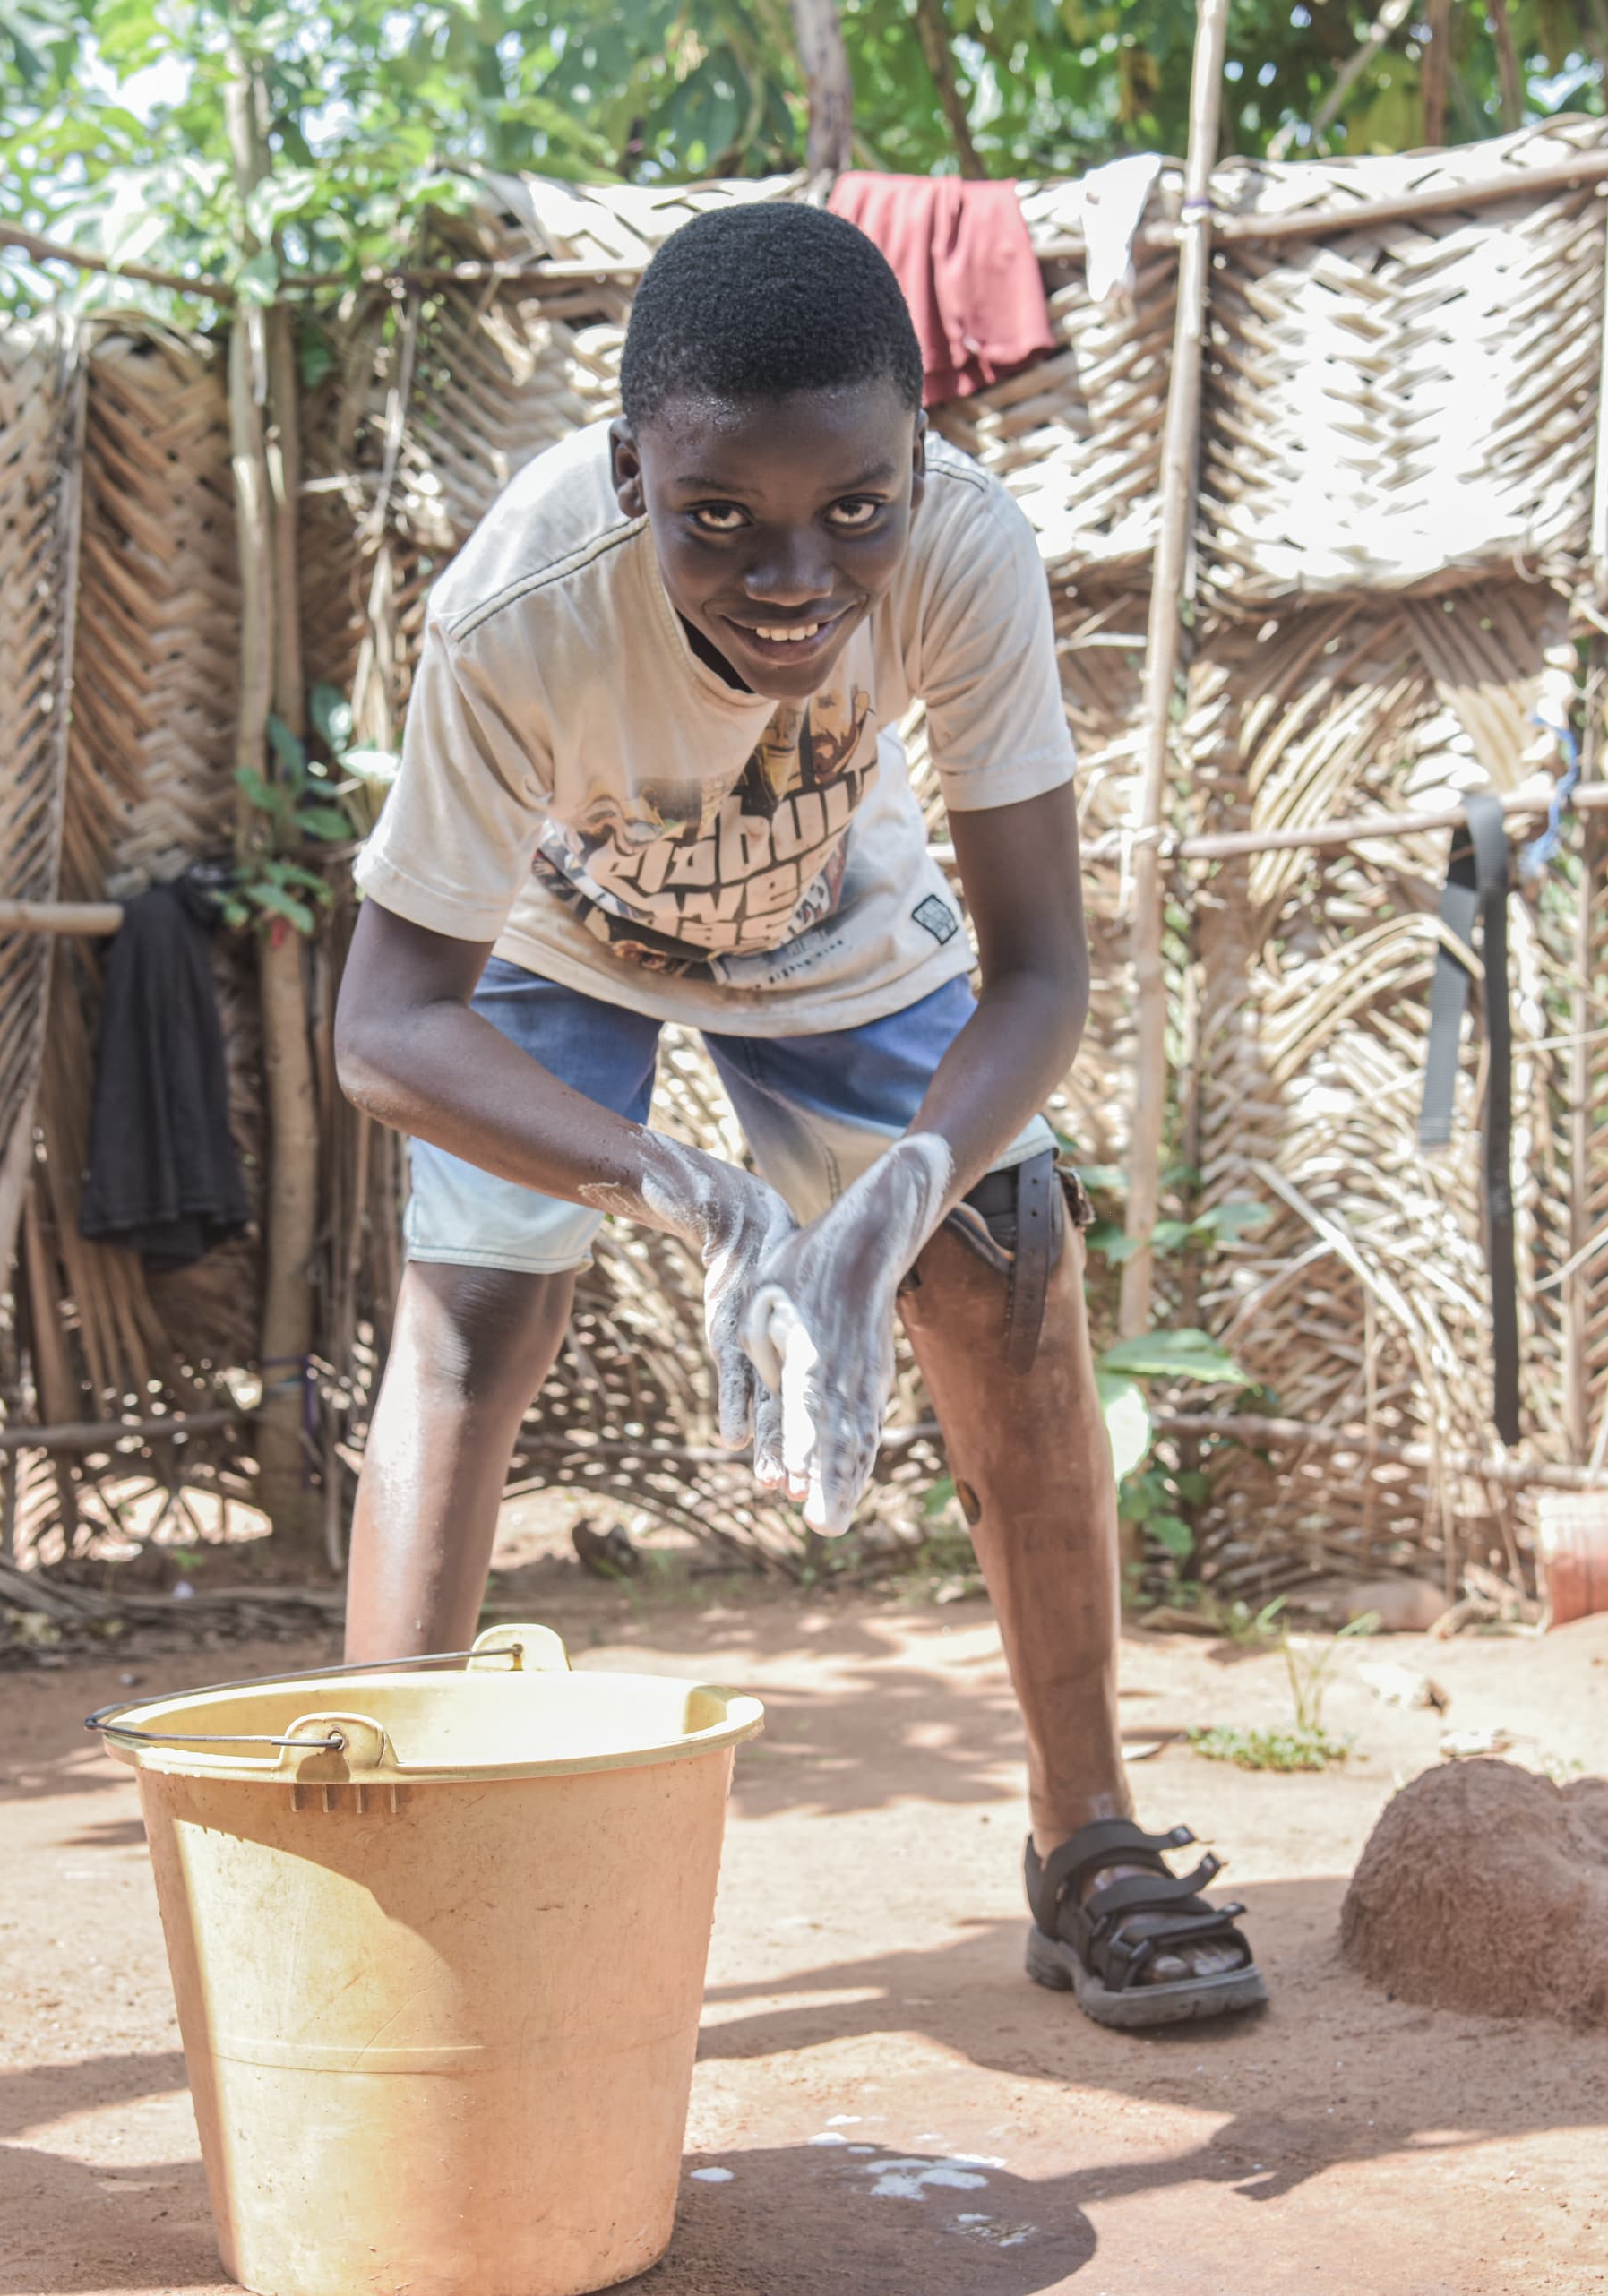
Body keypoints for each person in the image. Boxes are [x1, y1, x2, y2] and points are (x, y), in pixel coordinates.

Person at [332, 202, 1262, 2029]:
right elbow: (387, 1022)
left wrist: (916, 1178)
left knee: (1007, 1260)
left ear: (914, 463)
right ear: (628, 476)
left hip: (837, 931)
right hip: (558, 937)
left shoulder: (969, 554)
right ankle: (385, 1854)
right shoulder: (518, 616)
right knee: (471, 1318)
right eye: (720, 520)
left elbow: (1041, 977)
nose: (794, 578)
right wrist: (685, 1184)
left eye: (855, 509)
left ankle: (1089, 1838)